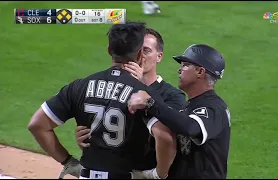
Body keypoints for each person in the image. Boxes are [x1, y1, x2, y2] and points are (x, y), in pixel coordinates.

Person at [27, 21, 175, 179]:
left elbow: (37, 125)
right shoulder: (145, 95)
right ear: (139, 54)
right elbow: (165, 137)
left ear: (109, 50)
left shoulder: (80, 86)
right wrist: (159, 174)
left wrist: (68, 161)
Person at [75, 27, 186, 178]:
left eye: (146, 50)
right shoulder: (112, 87)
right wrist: (89, 138)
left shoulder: (173, 96)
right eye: (139, 50)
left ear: (159, 56)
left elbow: (167, 135)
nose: (140, 56)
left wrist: (141, 86)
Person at [127, 44, 231, 179]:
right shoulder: (191, 105)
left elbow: (190, 127)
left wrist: (150, 103)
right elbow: (171, 123)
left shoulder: (214, 107)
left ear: (200, 71)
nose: (179, 70)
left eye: (185, 65)